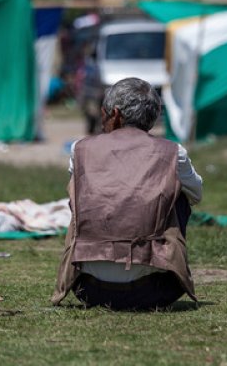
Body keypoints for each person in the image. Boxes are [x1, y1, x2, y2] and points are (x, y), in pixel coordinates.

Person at [51, 77, 203, 310]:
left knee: (78, 189)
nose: (102, 119)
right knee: (180, 194)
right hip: (156, 290)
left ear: (116, 114)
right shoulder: (174, 153)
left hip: (88, 289)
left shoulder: (79, 149)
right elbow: (196, 194)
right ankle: (158, 262)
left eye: (104, 113)